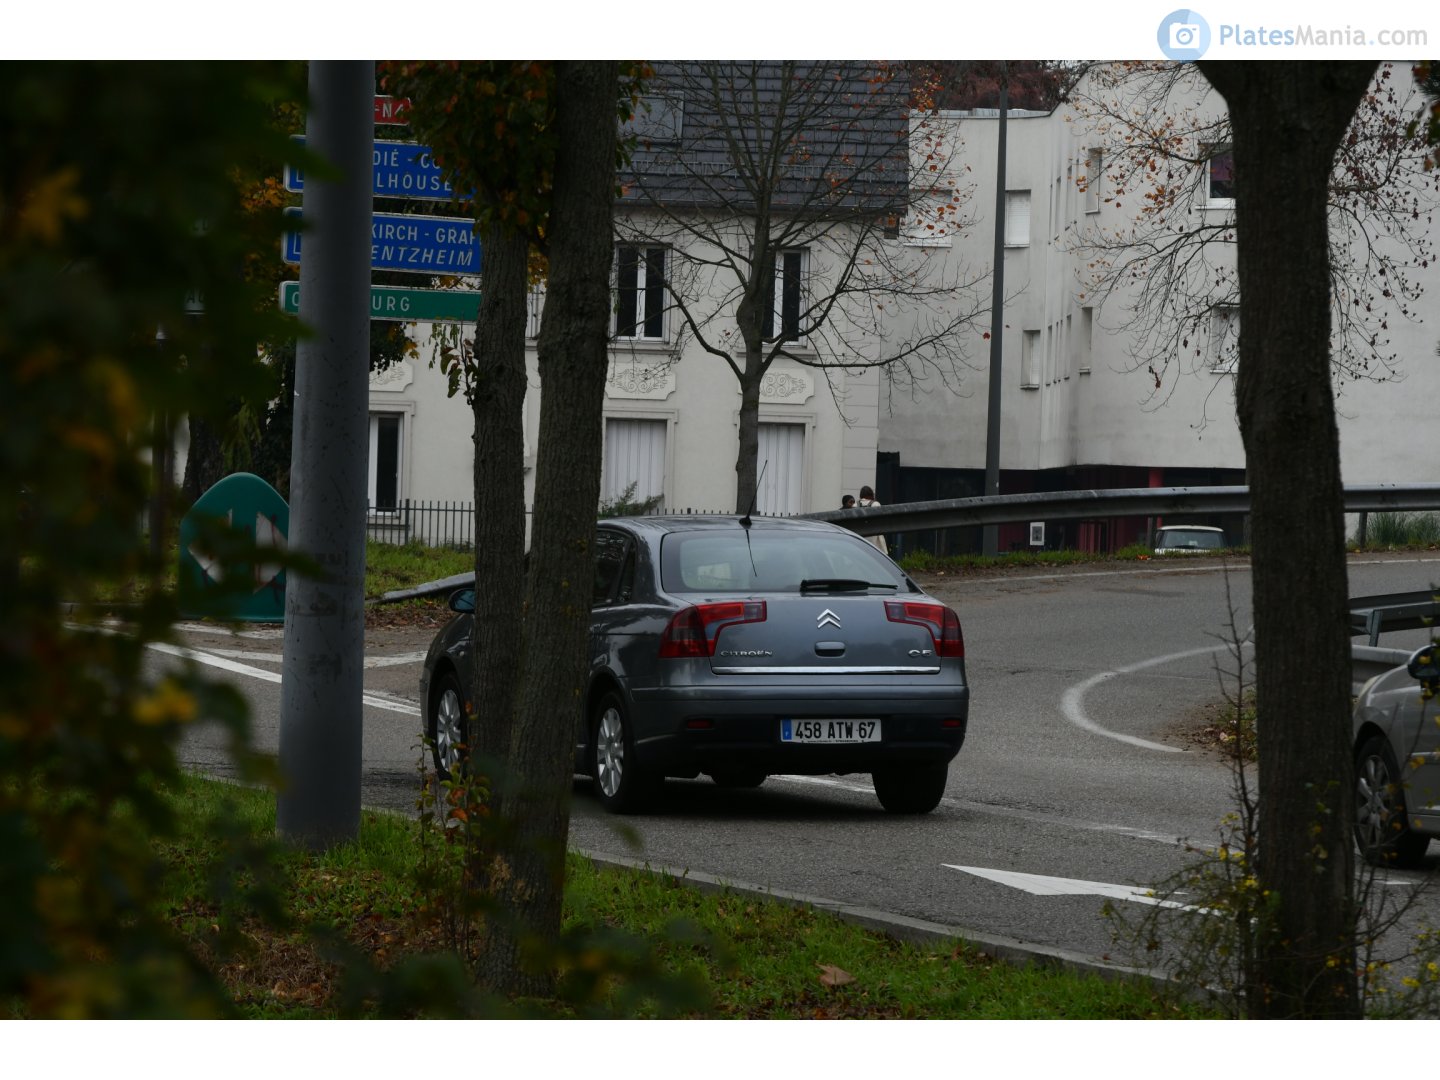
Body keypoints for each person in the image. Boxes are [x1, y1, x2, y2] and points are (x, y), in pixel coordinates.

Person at [857, 485, 889, 555]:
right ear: (871, 494)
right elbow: (882, 520)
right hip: (874, 537)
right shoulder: (875, 504)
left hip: (860, 537)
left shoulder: (855, 505)